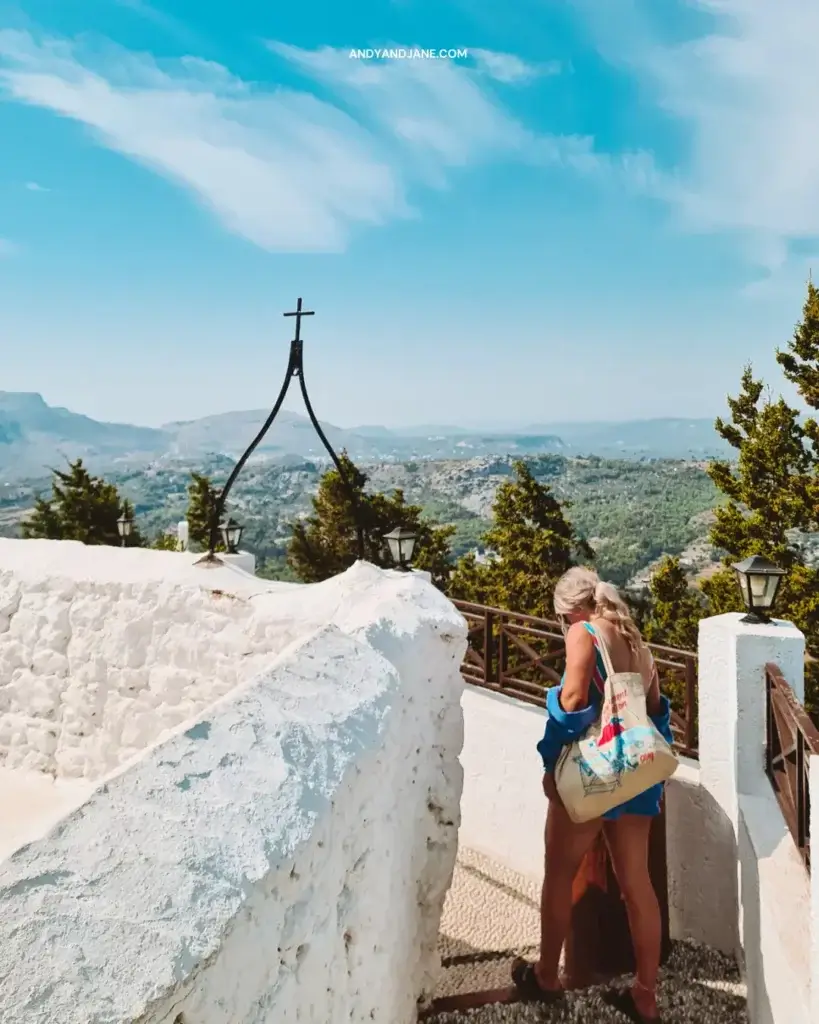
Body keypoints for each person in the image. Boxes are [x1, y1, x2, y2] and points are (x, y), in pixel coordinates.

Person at [510, 566, 673, 1024]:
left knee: (559, 873)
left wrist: (550, 760)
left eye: (562, 619)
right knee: (637, 886)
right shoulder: (635, 640)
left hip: (593, 773)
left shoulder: (583, 631)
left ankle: (546, 976)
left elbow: (573, 700)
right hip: (636, 775)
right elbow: (657, 713)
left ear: (573, 610)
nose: (564, 628)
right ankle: (644, 993)